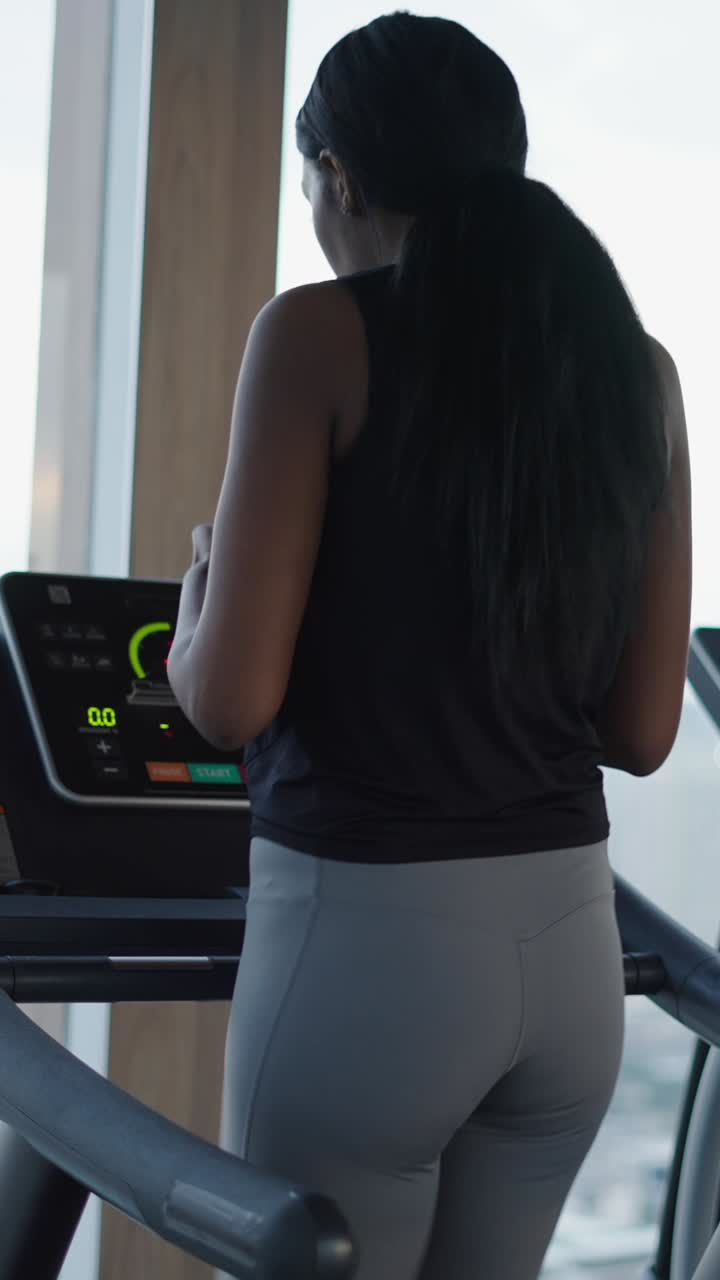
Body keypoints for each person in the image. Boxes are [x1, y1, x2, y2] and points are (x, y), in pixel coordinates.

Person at [167, 11, 692, 1279]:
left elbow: (232, 699)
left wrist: (193, 615)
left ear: (340, 175)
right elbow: (643, 729)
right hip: (568, 958)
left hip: (373, 953)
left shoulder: (315, 335)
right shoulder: (638, 370)